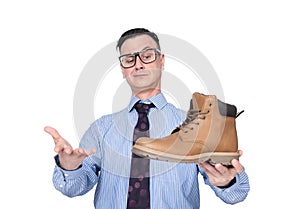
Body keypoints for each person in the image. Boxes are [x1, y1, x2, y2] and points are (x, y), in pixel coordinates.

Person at [44, 28, 250, 209]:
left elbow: (236, 194)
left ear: (162, 61)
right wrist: (69, 167)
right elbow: (72, 189)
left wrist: (226, 182)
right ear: (123, 70)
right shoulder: (101, 128)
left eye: (147, 55)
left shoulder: (196, 126)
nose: (138, 64)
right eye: (129, 59)